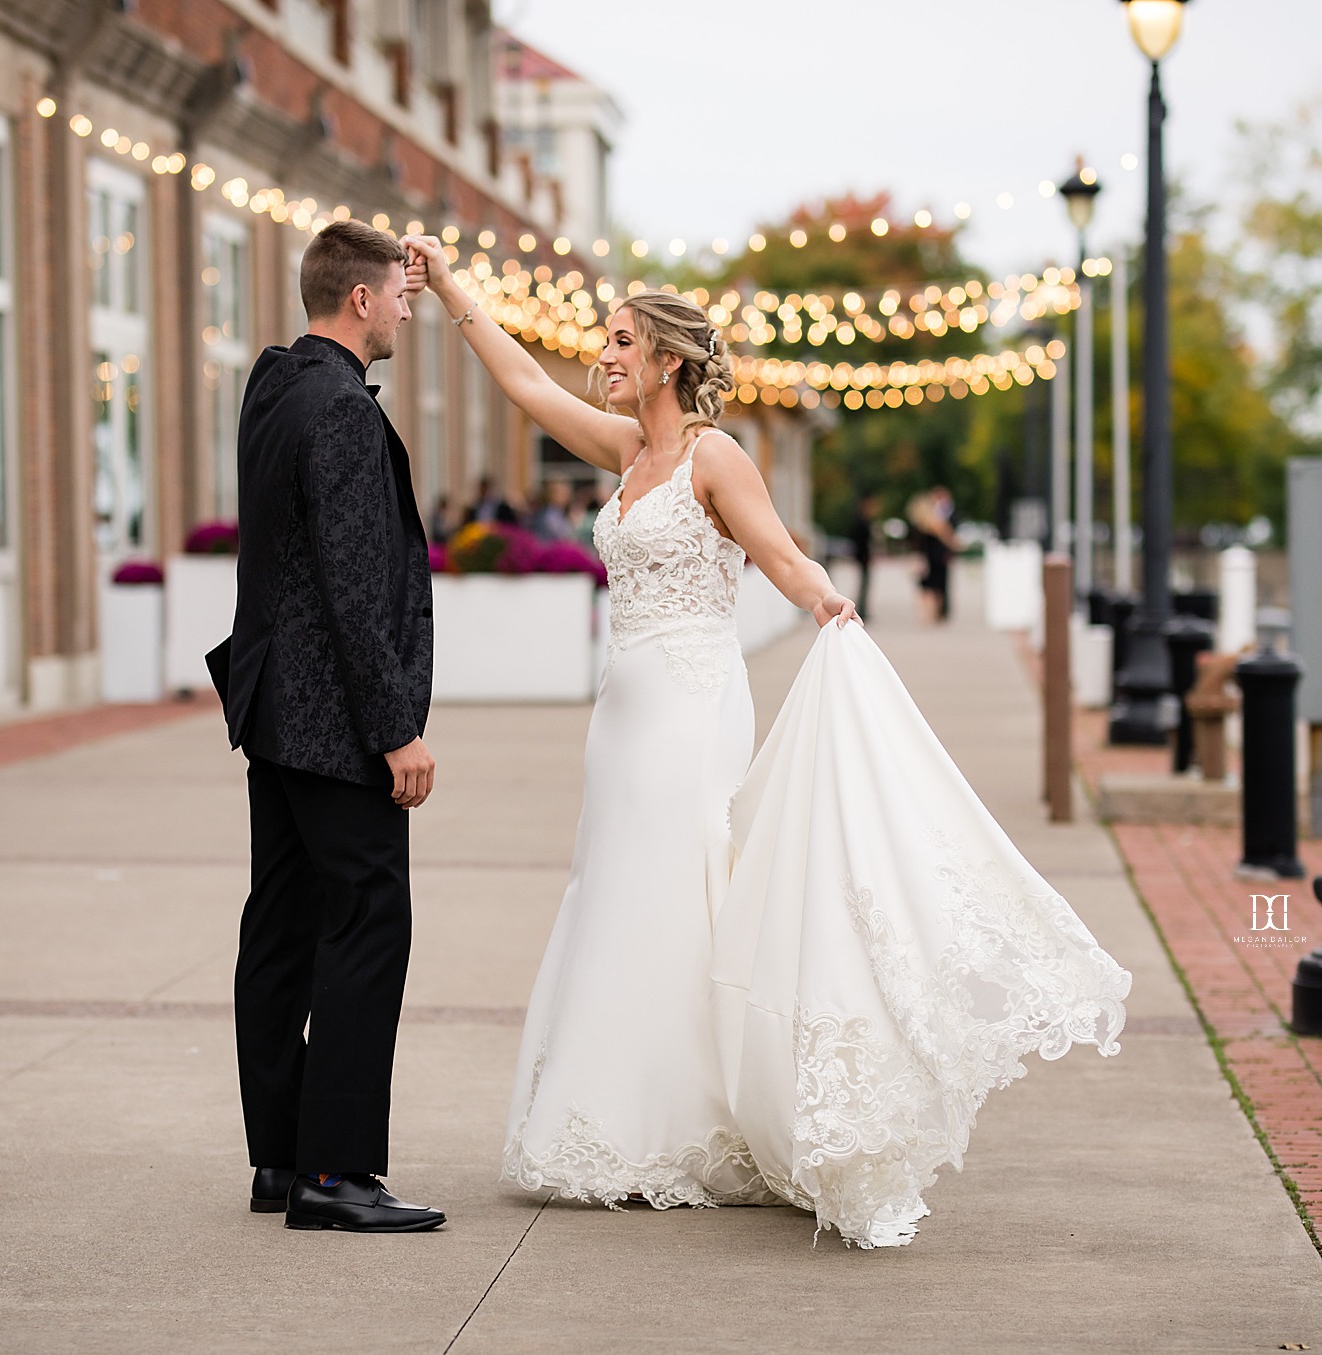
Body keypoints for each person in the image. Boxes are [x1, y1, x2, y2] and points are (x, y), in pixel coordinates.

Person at [406, 236, 1128, 1247]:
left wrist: (827, 604)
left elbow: (778, 552)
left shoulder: (715, 454)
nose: (603, 354)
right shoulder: (625, 452)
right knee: (615, 887)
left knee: (682, 886)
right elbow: (523, 382)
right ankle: (614, 1118)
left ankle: (703, 1120)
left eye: (622, 342)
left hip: (694, 702)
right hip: (622, 707)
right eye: (604, 339)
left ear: (667, 361)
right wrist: (450, 286)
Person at [208, 220, 445, 1234]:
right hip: (335, 722)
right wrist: (395, 729)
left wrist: (408, 255)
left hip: (272, 710)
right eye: (398, 293)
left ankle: (282, 1156)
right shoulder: (343, 412)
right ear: (358, 300)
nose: (405, 307)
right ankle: (336, 1172)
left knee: (281, 926)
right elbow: (353, 585)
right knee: (365, 924)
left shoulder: (276, 384)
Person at [910, 486, 963, 623]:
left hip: (924, 558)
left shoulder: (918, 523)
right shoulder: (934, 522)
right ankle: (934, 615)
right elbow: (949, 537)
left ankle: (925, 614)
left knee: (924, 588)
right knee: (936, 588)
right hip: (935, 558)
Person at [845, 492, 879, 624]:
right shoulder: (861, 522)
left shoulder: (861, 520)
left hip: (863, 556)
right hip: (863, 557)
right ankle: (862, 609)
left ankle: (862, 608)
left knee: (864, 583)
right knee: (864, 584)